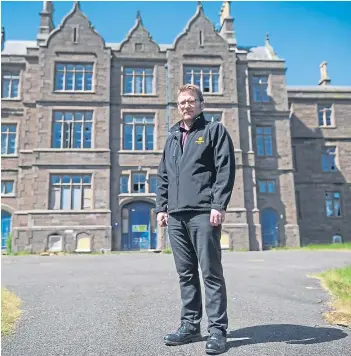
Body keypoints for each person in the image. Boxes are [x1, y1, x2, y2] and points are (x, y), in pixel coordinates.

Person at [155, 84, 236, 355]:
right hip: (176, 216)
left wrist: (218, 205)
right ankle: (189, 325)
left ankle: (217, 331)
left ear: (201, 104)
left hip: (203, 212)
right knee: (186, 273)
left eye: (191, 101)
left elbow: (225, 170)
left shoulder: (214, 131)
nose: (186, 106)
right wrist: (161, 208)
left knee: (211, 272)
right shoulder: (172, 137)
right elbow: (164, 175)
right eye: (181, 103)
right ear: (177, 107)